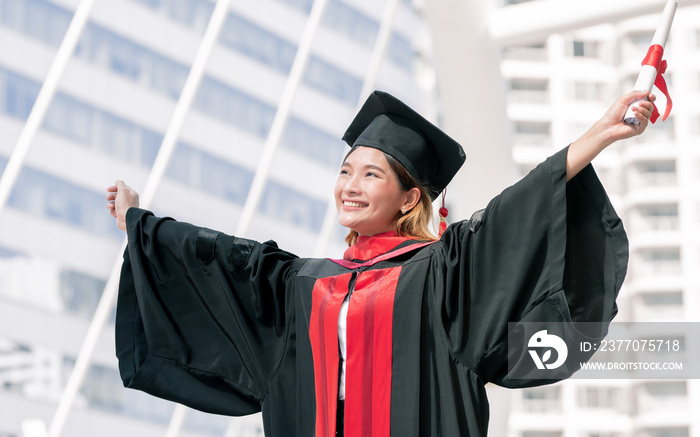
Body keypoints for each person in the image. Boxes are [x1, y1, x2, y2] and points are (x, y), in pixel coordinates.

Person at [107, 89, 655, 437]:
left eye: (372, 175)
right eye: (346, 171)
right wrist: (141, 225)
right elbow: (219, 259)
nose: (351, 185)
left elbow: (518, 214)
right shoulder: (300, 283)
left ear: (410, 198)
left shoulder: (441, 272)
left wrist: (599, 136)